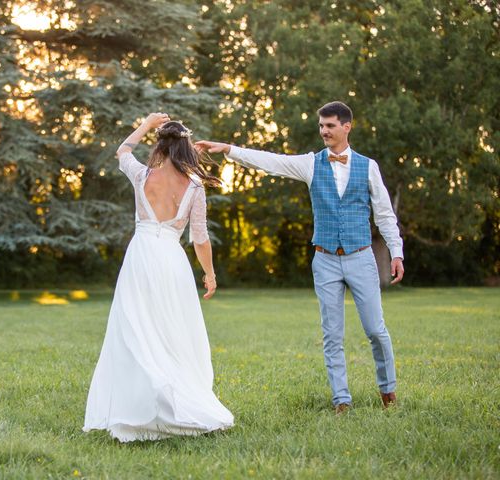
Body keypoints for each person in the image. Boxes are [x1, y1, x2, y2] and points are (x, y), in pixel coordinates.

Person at [195, 101, 403, 414]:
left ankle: (388, 391)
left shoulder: (368, 166)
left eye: (330, 126)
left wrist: (396, 251)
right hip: (325, 259)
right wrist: (229, 149)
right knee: (332, 334)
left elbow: (385, 215)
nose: (324, 131)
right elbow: (270, 161)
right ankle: (341, 400)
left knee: (375, 329)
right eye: (321, 126)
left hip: (361, 257)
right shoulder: (310, 164)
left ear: (347, 126)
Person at [83, 113, 234, 441]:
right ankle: (170, 397)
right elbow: (200, 237)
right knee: (172, 331)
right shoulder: (194, 186)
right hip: (172, 260)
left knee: (136, 328)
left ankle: (143, 404)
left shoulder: (142, 175)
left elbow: (122, 151)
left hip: (141, 258)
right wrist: (209, 274)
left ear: (160, 147)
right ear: (186, 148)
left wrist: (146, 124)